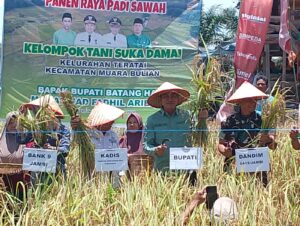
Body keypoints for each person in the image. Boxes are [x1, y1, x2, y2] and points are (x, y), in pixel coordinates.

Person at [143, 82, 208, 186]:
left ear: (178, 99)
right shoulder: (152, 120)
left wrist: (203, 120)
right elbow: (146, 145)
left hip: (186, 170)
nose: (170, 99)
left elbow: (202, 139)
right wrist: (155, 150)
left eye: (173, 95)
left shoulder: (188, 116)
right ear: (161, 100)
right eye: (166, 96)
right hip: (162, 170)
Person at [218, 81, 277, 186]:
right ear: (240, 102)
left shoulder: (264, 119)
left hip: (258, 167)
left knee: (259, 195)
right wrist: (225, 151)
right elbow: (220, 143)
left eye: (255, 100)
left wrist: (268, 139)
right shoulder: (229, 121)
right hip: (234, 167)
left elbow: (273, 146)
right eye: (248, 100)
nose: (253, 103)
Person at [71, 102, 124, 188]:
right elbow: (74, 144)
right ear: (100, 121)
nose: (112, 122)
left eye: (112, 121)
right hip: (92, 177)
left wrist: (121, 173)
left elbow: (117, 157)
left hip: (112, 178)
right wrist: (74, 128)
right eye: (109, 121)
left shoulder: (113, 135)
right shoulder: (86, 135)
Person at [20, 95, 71, 184]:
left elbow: (65, 149)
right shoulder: (36, 129)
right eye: (36, 111)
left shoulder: (63, 129)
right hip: (37, 170)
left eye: (39, 111)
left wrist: (52, 149)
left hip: (57, 170)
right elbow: (20, 139)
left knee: (56, 195)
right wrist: (21, 118)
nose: (37, 115)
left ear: (51, 113)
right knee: (36, 194)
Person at [0, 111, 29, 201]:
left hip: (19, 179)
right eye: (11, 123)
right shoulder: (0, 139)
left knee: (19, 207)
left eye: (16, 123)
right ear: (6, 124)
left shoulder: (25, 139)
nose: (13, 125)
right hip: (2, 179)